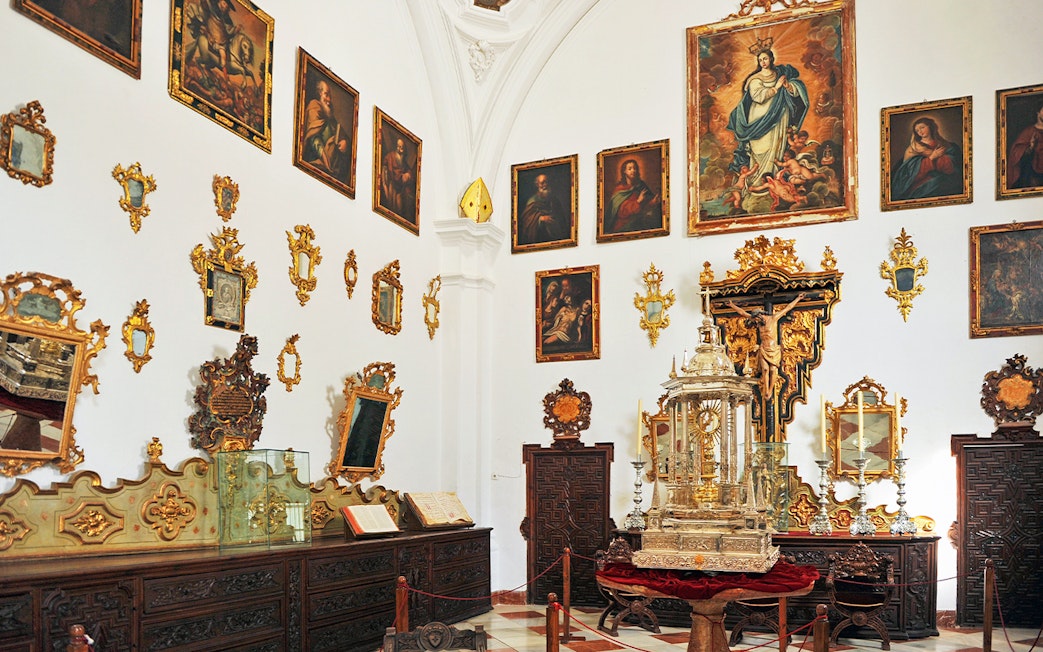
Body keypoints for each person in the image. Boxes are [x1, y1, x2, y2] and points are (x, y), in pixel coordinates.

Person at [726, 43, 810, 194]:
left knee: (776, 145)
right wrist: (776, 87)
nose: (763, 62)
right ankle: (756, 181)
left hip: (779, 117)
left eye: (765, 58)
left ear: (771, 59)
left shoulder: (780, 74)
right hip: (759, 118)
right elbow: (758, 97)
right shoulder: (755, 79)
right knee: (760, 147)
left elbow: (796, 91)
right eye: (760, 60)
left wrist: (787, 86)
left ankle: (774, 180)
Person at [726, 293, 806, 400]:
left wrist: (798, 298)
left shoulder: (773, 318)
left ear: (760, 315)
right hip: (763, 348)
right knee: (764, 369)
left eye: (757, 320)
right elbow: (743, 313)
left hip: (773, 350)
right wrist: (732, 305)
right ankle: (766, 390)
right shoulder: (757, 321)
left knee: (773, 369)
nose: (756, 322)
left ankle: (770, 390)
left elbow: (788, 308)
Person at [890, 116, 962, 201]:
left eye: (922, 127)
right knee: (937, 184)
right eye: (917, 130)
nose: (920, 131)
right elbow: (909, 173)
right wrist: (932, 157)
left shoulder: (945, 144)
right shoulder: (913, 148)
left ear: (930, 126)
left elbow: (955, 165)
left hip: (944, 178)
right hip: (921, 182)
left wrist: (943, 159)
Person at [302, 79, 350, 180]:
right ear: (319, 93)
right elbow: (313, 137)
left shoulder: (329, 116)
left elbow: (340, 133)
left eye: (330, 96)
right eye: (326, 94)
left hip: (330, 168)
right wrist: (326, 162)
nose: (329, 99)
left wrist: (345, 143)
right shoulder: (314, 107)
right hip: (317, 162)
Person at [607, 159, 660, 232]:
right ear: (624, 171)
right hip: (624, 225)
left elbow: (644, 207)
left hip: (639, 221)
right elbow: (621, 212)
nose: (633, 170)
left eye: (635, 168)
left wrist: (653, 202)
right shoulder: (619, 190)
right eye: (630, 169)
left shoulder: (641, 185)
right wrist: (638, 201)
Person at [519, 173, 569, 245]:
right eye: (542, 183)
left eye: (546, 182)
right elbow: (526, 220)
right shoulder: (532, 201)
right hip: (539, 236)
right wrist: (540, 219)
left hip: (555, 239)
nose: (545, 185)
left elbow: (561, 220)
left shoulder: (555, 200)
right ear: (537, 185)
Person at [1007, 103, 1043, 189]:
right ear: (1037, 112)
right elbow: (1016, 155)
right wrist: (1031, 147)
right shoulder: (1028, 132)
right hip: (1033, 175)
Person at [380, 137, 416, 221]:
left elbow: (409, 173)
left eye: (401, 148)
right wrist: (401, 176)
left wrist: (408, 175)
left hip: (400, 188)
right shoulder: (390, 156)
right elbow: (389, 170)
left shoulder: (403, 162)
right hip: (393, 185)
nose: (399, 149)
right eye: (398, 147)